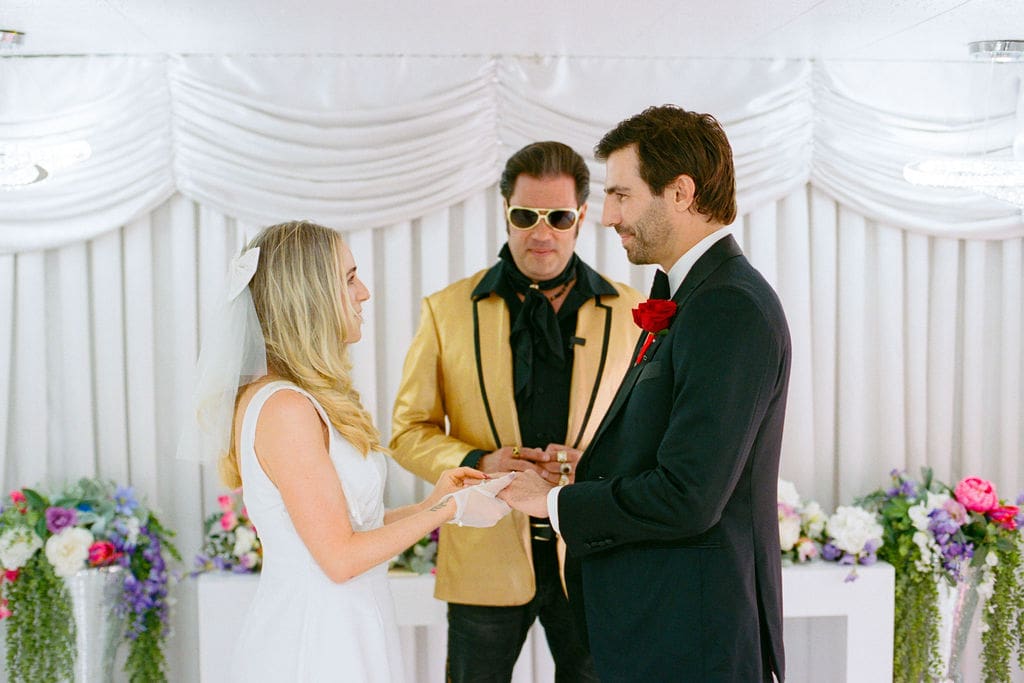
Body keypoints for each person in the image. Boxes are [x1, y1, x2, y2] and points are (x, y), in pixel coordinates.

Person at [499, 106, 791, 683]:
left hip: (691, 640)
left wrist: (549, 504)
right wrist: (597, 466)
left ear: (680, 193)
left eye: (622, 195)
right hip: (662, 629)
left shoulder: (731, 306)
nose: (607, 217)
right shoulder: (692, 295)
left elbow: (689, 495)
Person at [180, 220, 489, 683]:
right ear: (309, 295)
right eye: (348, 278)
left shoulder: (300, 399)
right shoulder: (284, 407)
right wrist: (445, 513)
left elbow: (351, 528)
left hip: (350, 625)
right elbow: (340, 558)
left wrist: (431, 502)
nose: (363, 292)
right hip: (316, 642)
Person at [390, 141, 643, 682]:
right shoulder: (445, 311)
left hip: (593, 555)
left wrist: (593, 462)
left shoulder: (631, 314)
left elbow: (652, 433)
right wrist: (481, 461)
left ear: (581, 218)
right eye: (525, 216)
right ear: (505, 212)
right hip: (483, 552)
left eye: (558, 216)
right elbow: (408, 432)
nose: (541, 232)